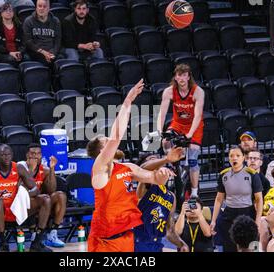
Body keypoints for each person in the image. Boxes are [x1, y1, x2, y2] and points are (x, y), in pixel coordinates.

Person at [86, 79, 176, 252]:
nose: (111, 143)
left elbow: (153, 178)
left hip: (128, 236)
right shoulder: (100, 169)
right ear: (100, 153)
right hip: (104, 240)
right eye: (106, 143)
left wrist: (163, 172)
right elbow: (117, 136)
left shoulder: (127, 168)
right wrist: (127, 102)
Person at [0, 144, 53, 252]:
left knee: (45, 199)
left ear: (12, 155)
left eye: (8, 154)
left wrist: (23, 196)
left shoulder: (18, 168)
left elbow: (35, 189)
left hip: (15, 207)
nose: (6, 157)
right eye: (3, 155)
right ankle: (3, 244)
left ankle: (37, 242)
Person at [156, 64, 204, 198]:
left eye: (184, 75)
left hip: (194, 125)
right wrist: (160, 130)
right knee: (166, 141)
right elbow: (162, 112)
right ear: (175, 77)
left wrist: (189, 135)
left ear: (189, 77)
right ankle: (172, 163)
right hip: (178, 124)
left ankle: (194, 192)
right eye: (179, 75)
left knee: (193, 158)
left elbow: (198, 115)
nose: (181, 78)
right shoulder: (169, 91)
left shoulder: (198, 91)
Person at [133, 149, 189, 252]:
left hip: (157, 243)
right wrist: (166, 159)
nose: (155, 162)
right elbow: (143, 169)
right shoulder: (145, 185)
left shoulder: (171, 196)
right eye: (151, 160)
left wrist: (182, 244)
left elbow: (170, 230)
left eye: (156, 159)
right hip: (138, 241)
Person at [210, 147, 263, 252]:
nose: (234, 158)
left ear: (243, 157)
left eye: (238, 156)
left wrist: (258, 221)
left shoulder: (252, 174)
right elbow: (219, 199)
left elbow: (259, 199)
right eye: (231, 156)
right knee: (230, 246)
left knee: (253, 246)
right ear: (229, 159)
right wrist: (213, 220)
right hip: (230, 213)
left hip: (248, 212)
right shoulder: (223, 175)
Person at [18, 143, 67, 248]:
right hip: (23, 204)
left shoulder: (44, 169)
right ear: (27, 155)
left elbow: (51, 189)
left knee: (60, 195)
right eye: (33, 153)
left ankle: (52, 233)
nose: (35, 156)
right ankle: (35, 233)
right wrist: (30, 170)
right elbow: (21, 192)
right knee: (42, 199)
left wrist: (52, 169)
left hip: (42, 203)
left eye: (38, 154)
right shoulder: (20, 167)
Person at [23, 0, 61, 66]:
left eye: (44, 6)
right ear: (36, 7)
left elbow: (58, 40)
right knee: (43, 61)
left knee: (61, 61)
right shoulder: (28, 21)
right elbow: (28, 41)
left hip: (51, 52)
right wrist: (43, 52)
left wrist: (52, 53)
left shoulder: (55, 21)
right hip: (36, 52)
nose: (41, 9)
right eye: (39, 6)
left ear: (49, 8)